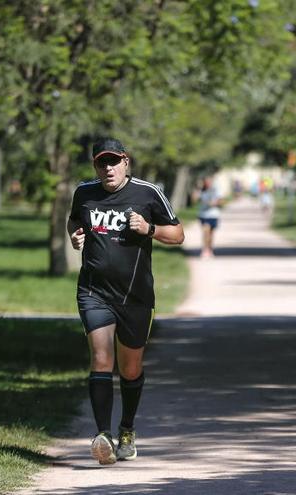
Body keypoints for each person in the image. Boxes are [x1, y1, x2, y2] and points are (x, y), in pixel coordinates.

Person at [67, 138, 184, 465]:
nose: (108, 169)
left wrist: (149, 229)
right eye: (102, 163)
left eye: (114, 162)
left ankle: (127, 429)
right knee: (101, 356)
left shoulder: (148, 193)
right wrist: (73, 234)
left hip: (135, 295)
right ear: (95, 166)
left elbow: (178, 235)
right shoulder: (84, 193)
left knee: (130, 367)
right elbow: (74, 220)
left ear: (126, 162)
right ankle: (103, 435)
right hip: (94, 291)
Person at [197, 176, 222, 259]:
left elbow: (220, 200)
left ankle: (210, 249)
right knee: (205, 232)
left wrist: (214, 203)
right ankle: (205, 249)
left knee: (211, 234)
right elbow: (195, 199)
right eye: (206, 182)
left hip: (214, 214)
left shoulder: (216, 190)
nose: (208, 183)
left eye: (209, 182)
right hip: (203, 214)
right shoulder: (201, 190)